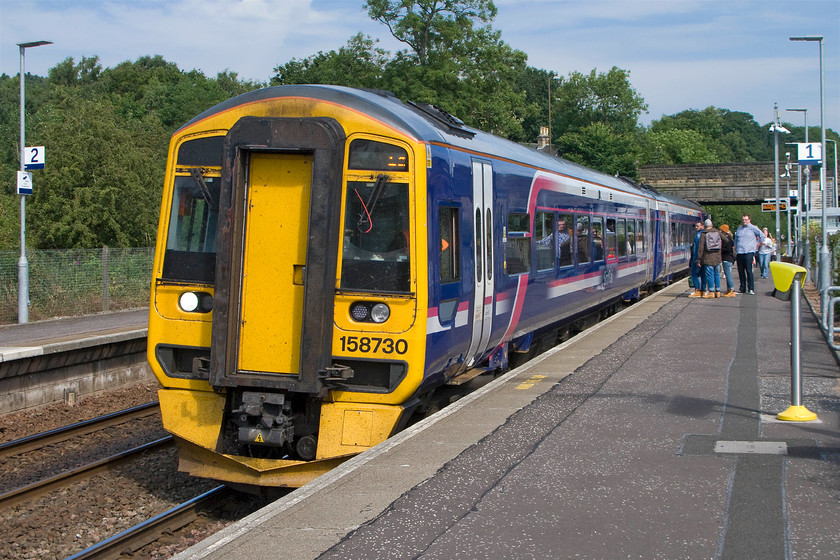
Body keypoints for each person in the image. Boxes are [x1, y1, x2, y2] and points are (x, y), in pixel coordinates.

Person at [734, 214, 765, 295]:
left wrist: (758, 244)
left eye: (746, 219)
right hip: (740, 252)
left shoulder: (753, 228)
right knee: (740, 271)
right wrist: (735, 246)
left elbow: (762, 235)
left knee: (748, 270)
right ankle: (742, 288)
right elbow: (736, 239)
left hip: (748, 252)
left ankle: (751, 288)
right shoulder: (739, 229)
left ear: (749, 220)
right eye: (743, 219)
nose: (744, 221)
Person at [697, 218, 722, 298]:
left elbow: (701, 248)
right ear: (712, 225)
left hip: (708, 257)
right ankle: (717, 291)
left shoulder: (704, 234)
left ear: (704, 226)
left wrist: (699, 259)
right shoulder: (717, 232)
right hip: (717, 257)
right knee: (716, 274)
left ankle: (711, 291)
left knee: (710, 274)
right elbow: (725, 240)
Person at [718, 224, 737, 297]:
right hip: (727, 259)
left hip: (727, 259)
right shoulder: (729, 238)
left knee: (728, 275)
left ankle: (731, 290)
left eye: (720, 230)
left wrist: (720, 249)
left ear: (723, 231)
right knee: (727, 275)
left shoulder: (727, 239)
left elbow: (728, 250)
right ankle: (728, 290)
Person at [688, 221, 705, 297]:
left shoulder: (698, 235)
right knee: (703, 274)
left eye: (698, 226)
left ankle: (697, 290)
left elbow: (696, 249)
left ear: (702, 226)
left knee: (694, 274)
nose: (696, 227)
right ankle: (703, 290)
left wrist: (695, 259)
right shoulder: (705, 234)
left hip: (697, 258)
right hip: (704, 258)